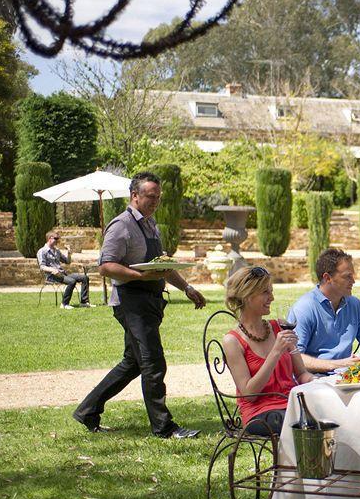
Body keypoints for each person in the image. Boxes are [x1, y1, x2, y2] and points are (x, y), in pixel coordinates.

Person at [73, 172, 207, 439]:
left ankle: (87, 410)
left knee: (133, 363)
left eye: (158, 197)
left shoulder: (150, 224)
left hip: (150, 301)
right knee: (153, 363)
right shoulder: (121, 225)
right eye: (150, 196)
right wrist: (140, 276)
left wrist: (188, 288)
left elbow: (162, 266)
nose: (155, 201)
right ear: (135, 195)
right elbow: (105, 267)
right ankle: (164, 427)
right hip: (131, 302)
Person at [223, 266, 314, 436]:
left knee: (333, 414)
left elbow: (301, 374)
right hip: (260, 414)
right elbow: (249, 394)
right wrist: (276, 352)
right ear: (247, 295)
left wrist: (319, 382)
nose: (271, 298)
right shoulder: (233, 341)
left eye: (271, 291)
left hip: (292, 404)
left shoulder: (279, 327)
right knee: (298, 423)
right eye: (265, 292)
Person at [289, 248, 360, 373]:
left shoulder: (355, 305)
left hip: (348, 378)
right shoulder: (304, 308)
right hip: (314, 382)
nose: (353, 281)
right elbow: (294, 357)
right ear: (327, 278)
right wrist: (339, 365)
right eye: (347, 277)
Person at [37, 230, 92, 309]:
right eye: (56, 239)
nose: (57, 241)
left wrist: (69, 253)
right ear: (49, 238)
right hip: (52, 276)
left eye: (58, 239)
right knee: (71, 281)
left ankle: (84, 302)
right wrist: (52, 270)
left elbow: (67, 262)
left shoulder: (57, 251)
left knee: (84, 277)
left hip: (62, 274)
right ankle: (64, 304)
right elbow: (42, 266)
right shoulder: (42, 251)